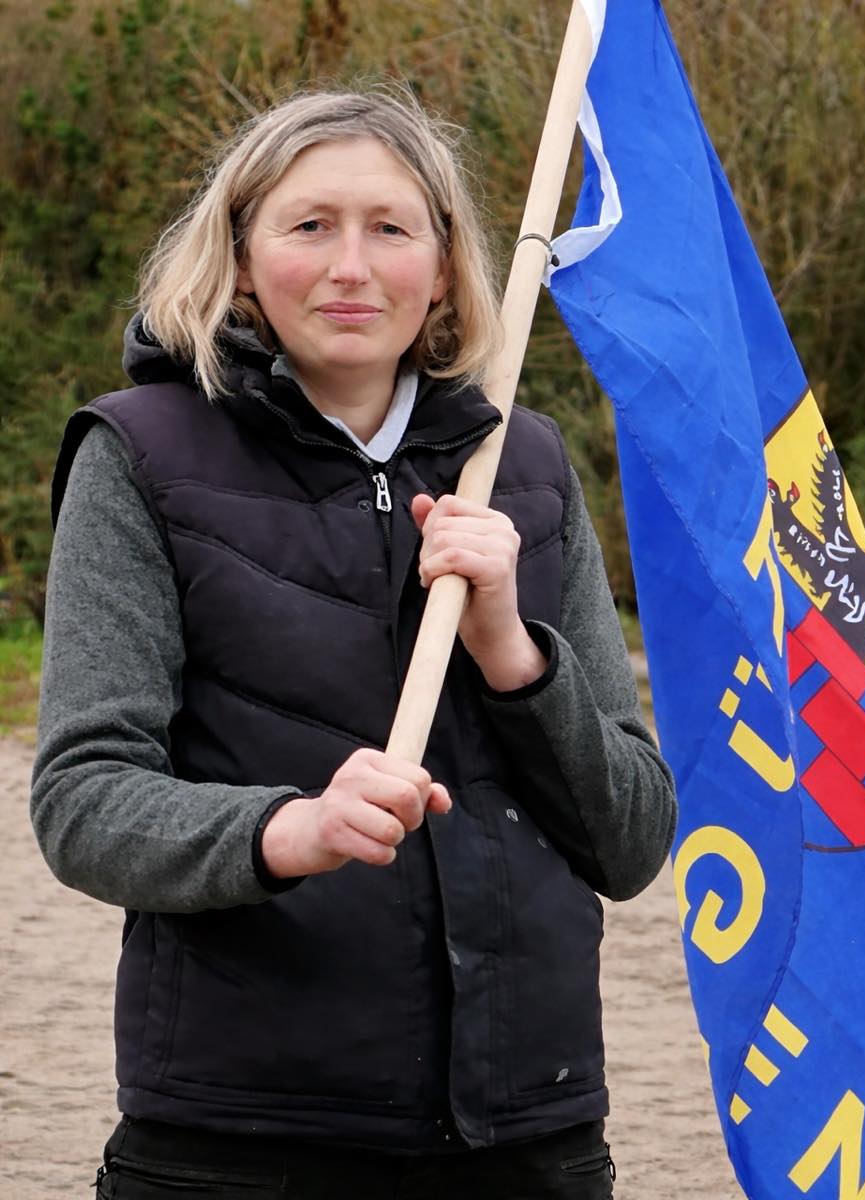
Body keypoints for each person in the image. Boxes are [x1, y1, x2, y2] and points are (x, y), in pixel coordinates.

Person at [31, 87, 676, 1199]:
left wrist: (512, 652)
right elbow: (84, 801)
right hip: (243, 1137)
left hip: (529, 1136)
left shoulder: (524, 466)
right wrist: (292, 829)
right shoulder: (139, 454)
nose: (351, 267)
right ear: (241, 259)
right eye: (310, 225)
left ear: (445, 265)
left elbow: (631, 841)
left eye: (390, 228)